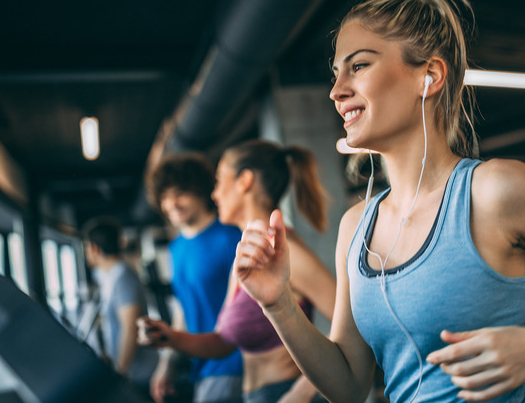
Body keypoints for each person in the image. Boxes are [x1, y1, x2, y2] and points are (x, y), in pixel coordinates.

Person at [233, 0, 525, 403]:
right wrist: (279, 305)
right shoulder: (355, 227)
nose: (335, 90)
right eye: (335, 72)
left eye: (359, 65)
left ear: (430, 77)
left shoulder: (494, 191)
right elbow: (348, 386)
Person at [139, 140, 335, 403]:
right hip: (255, 395)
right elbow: (223, 342)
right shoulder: (243, 256)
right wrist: (169, 337)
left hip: (286, 392)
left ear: (245, 181)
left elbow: (352, 325)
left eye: (220, 181)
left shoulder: (284, 253)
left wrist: (301, 392)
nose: (214, 194)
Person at [145, 153, 243, 403]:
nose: (172, 203)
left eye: (180, 193)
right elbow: (183, 309)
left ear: (201, 192)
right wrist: (167, 364)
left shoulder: (231, 237)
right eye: (164, 197)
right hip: (199, 366)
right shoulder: (175, 248)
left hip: (234, 365)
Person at [82, 217, 158, 396]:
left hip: (138, 375)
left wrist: (120, 373)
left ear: (94, 248)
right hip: (127, 372)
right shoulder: (108, 276)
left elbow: (130, 329)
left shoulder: (123, 277)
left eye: (86, 247)